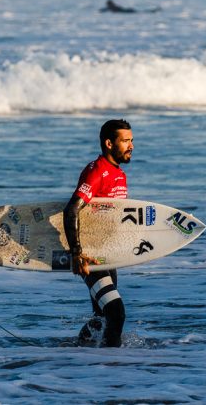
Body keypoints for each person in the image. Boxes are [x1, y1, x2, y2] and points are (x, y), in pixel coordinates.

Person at [63, 119, 134, 347]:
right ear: (109, 143)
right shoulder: (97, 172)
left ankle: (80, 354)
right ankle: (111, 365)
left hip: (108, 254)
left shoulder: (119, 174)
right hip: (91, 256)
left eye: (131, 140)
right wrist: (77, 253)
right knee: (116, 312)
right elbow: (71, 210)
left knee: (101, 319)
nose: (131, 145)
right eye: (125, 141)